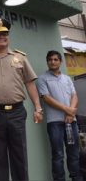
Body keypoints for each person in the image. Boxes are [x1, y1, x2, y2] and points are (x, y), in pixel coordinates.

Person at [0, 18, 43, 181]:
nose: (1, 37)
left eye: (4, 34)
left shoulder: (20, 58)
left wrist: (38, 108)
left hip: (17, 112)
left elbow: (30, 83)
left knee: (19, 154)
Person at [37, 50, 82, 181]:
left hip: (70, 122)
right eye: (50, 59)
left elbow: (74, 96)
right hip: (55, 123)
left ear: (60, 62)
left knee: (73, 153)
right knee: (58, 154)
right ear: (47, 62)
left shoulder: (67, 79)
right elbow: (46, 98)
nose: (53, 62)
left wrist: (71, 111)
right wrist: (68, 110)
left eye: (56, 59)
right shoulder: (42, 79)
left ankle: (76, 178)